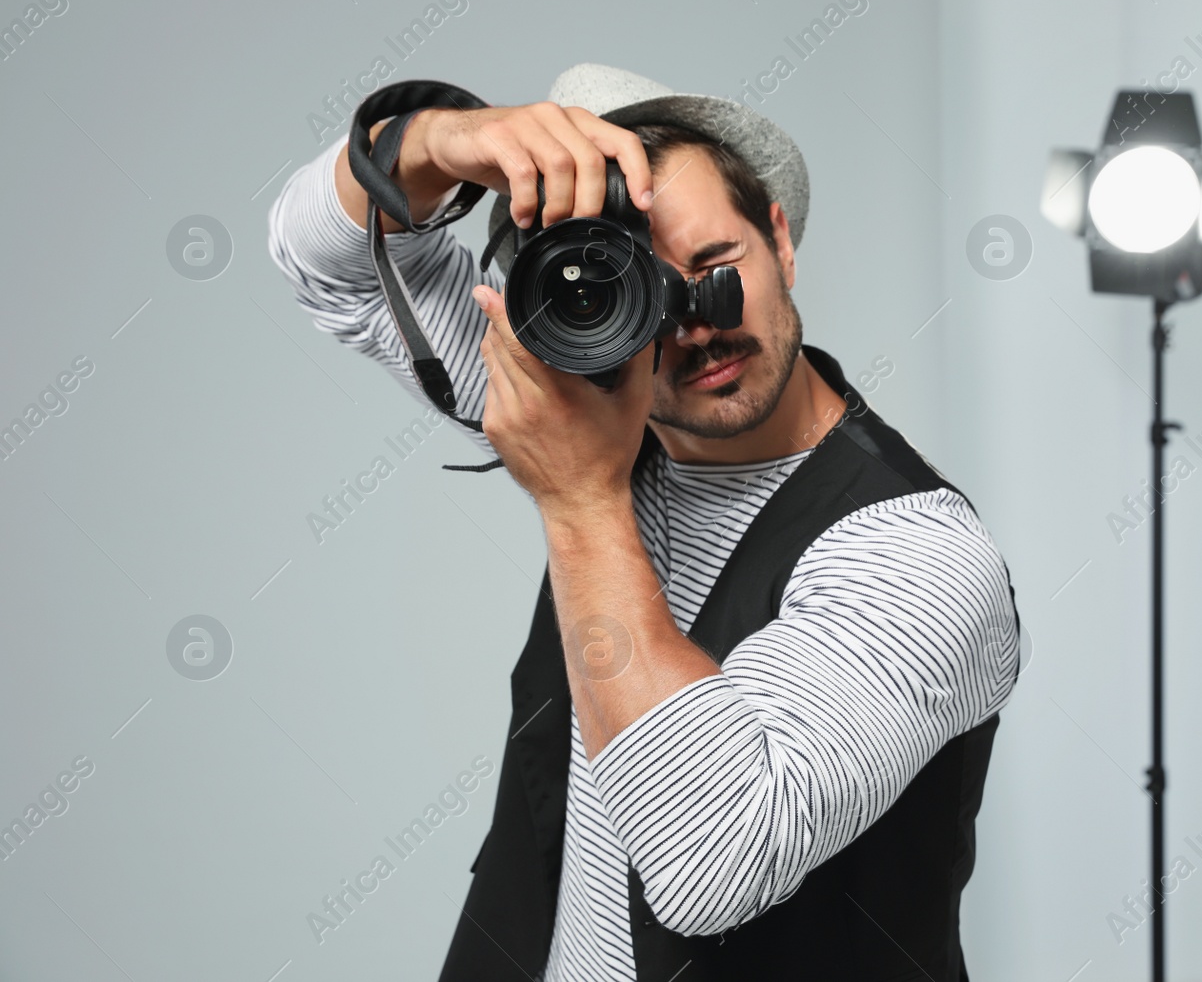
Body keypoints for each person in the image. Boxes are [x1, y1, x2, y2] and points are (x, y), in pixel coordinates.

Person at [267, 62, 1020, 982]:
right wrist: (434, 139)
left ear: (779, 239)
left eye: (713, 270)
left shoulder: (917, 552)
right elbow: (327, 264)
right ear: (562, 320)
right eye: (641, 296)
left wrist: (582, 504)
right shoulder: (595, 406)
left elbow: (711, 864)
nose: (694, 328)